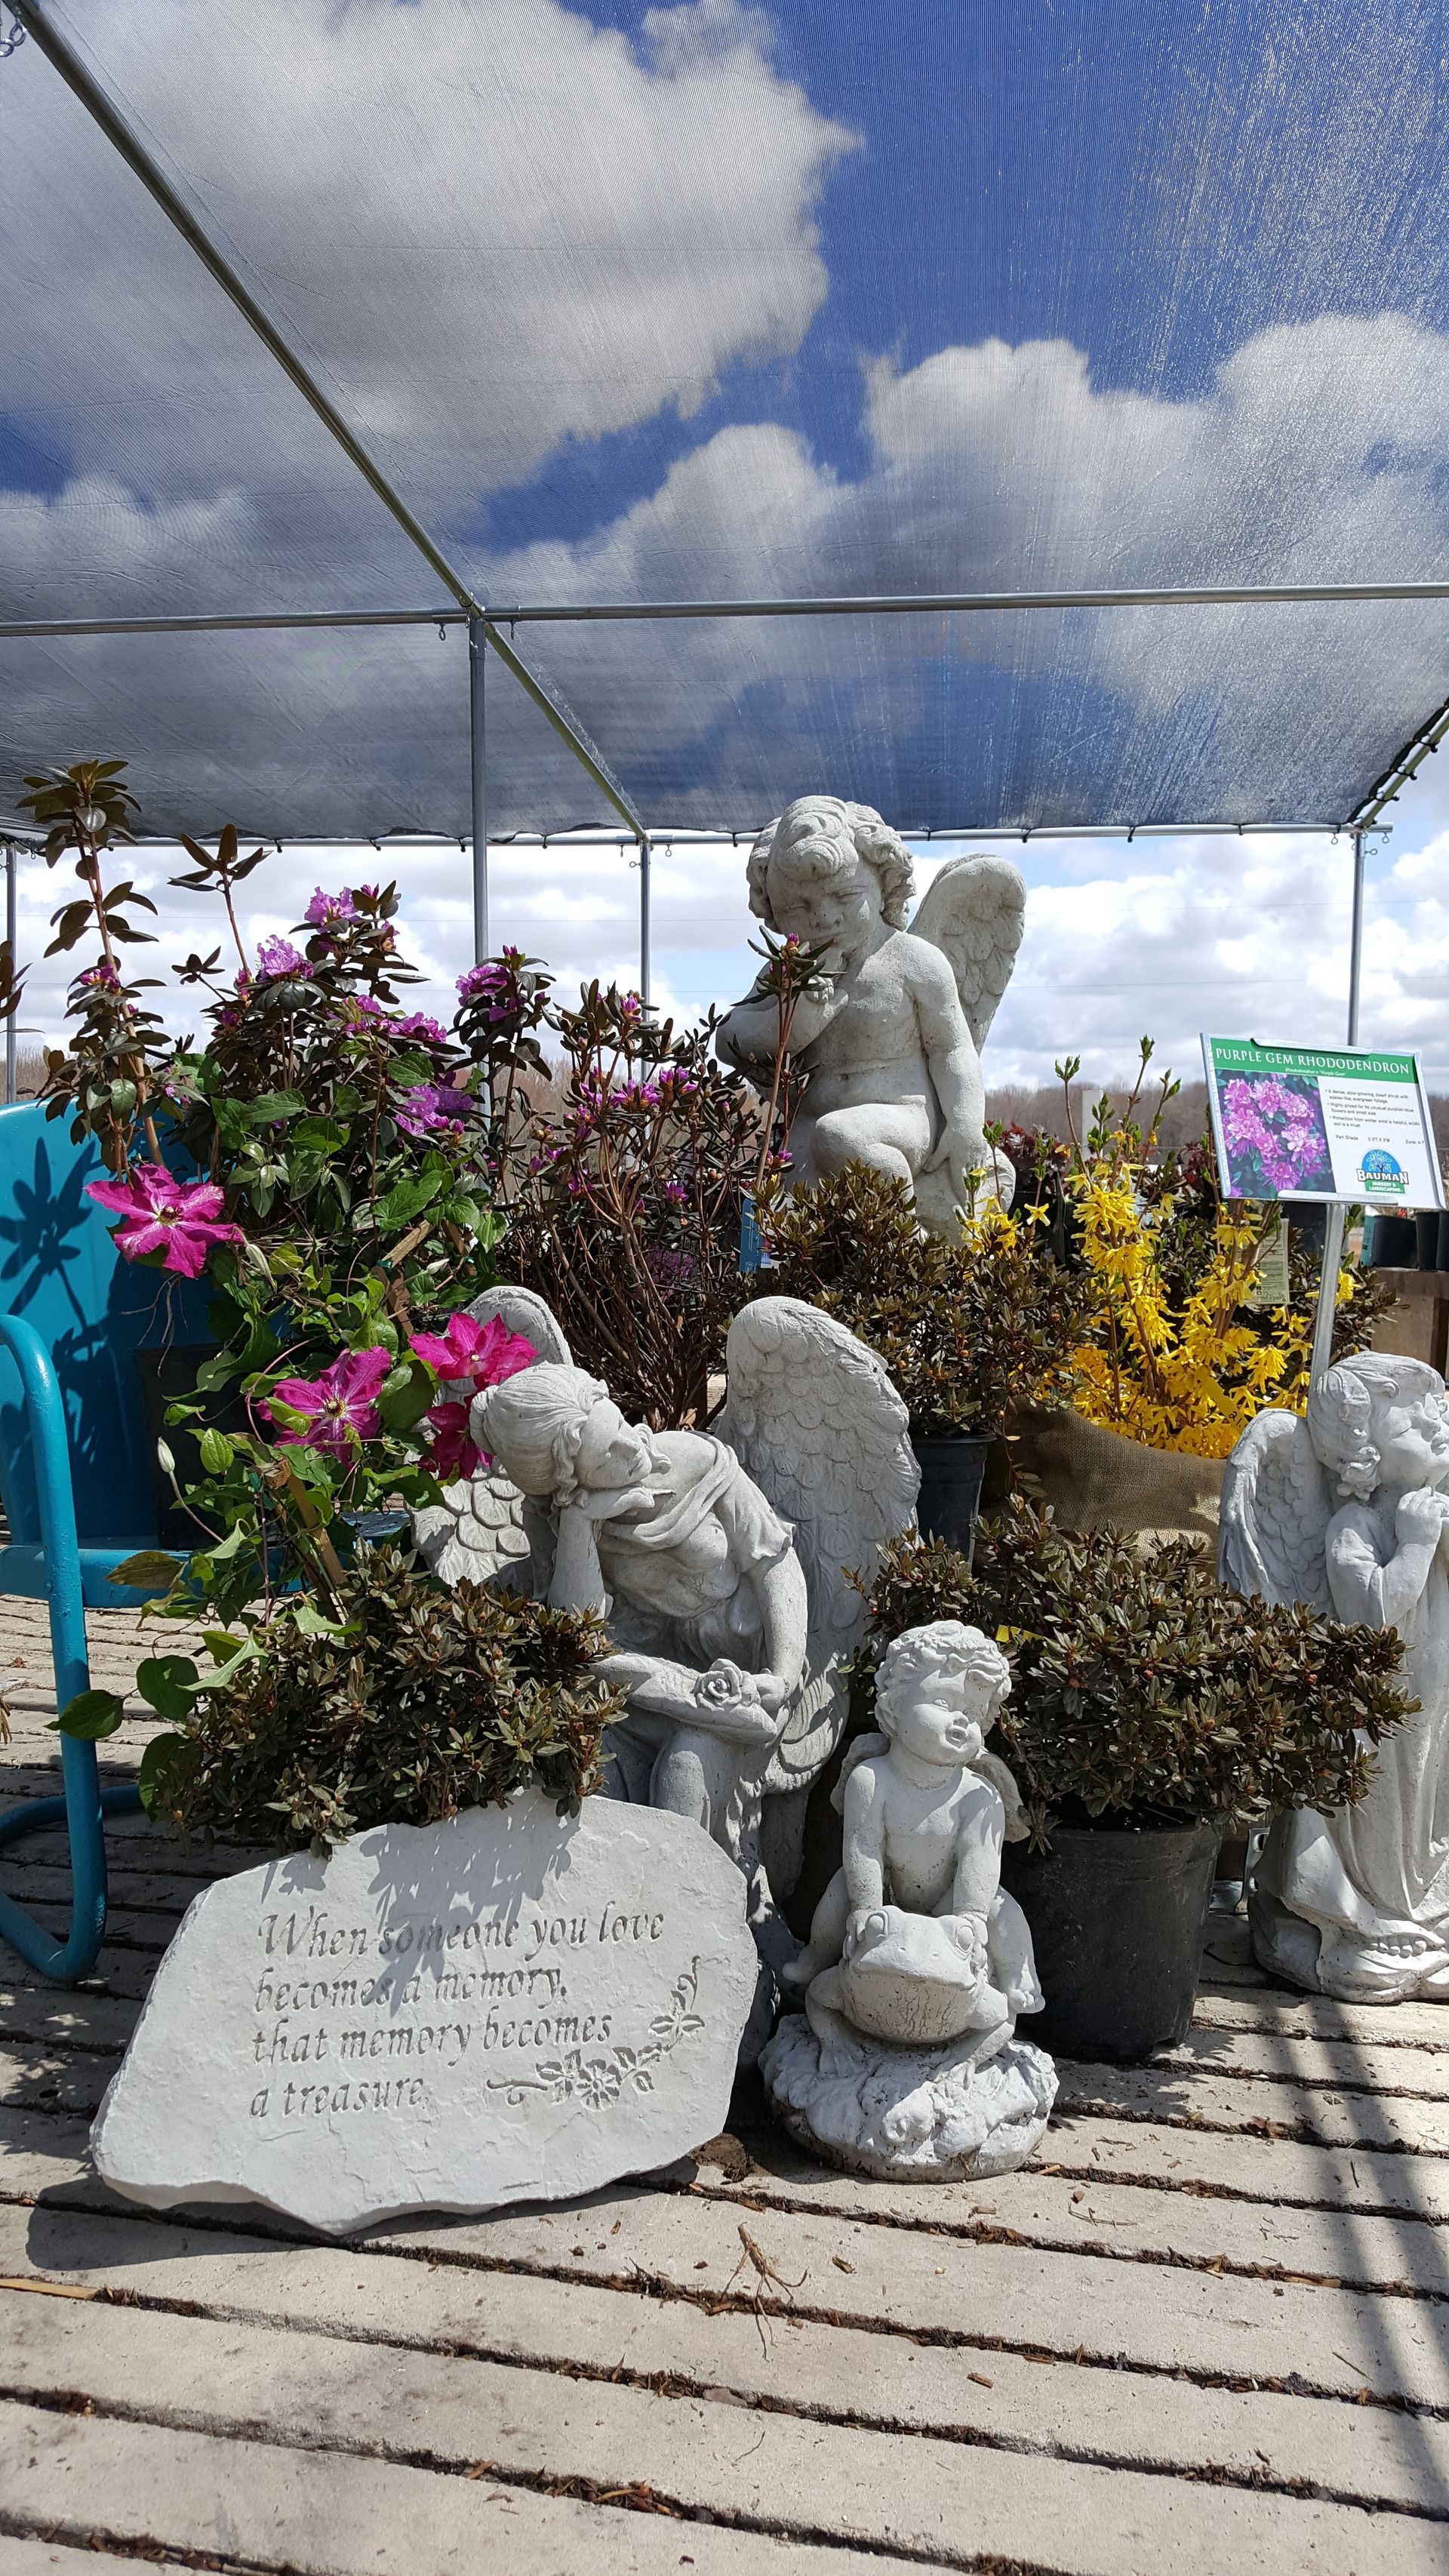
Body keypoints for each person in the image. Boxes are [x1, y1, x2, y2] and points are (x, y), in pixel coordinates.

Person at [472, 1362, 808, 1854]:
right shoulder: (554, 1517)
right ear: (568, 1483)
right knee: (587, 1788)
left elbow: (774, 1561)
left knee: (685, 1774)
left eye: (621, 1424)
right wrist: (581, 1524)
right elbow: (578, 1641)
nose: (636, 1446)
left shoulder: (697, 1460)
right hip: (638, 1691)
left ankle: (710, 1908)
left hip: (736, 1686)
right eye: (609, 1454)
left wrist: (781, 1672)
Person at [716, 796, 995, 1213]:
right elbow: (728, 1039)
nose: (824, 917)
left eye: (845, 896)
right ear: (773, 909)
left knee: (843, 1136)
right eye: (798, 907)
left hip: (900, 1119)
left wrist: (966, 1126)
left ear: (883, 884)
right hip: (810, 1126)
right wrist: (792, 1019)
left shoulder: (914, 961)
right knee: (788, 1198)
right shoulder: (788, 972)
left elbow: (953, 1049)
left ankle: (900, 1239)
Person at [785, 1619, 1040, 2024]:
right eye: (943, 1704)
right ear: (894, 1705)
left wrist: (969, 1917)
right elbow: (863, 1850)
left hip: (950, 1900)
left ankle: (1019, 1975)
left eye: (974, 1714)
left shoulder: (978, 1795)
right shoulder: (872, 1779)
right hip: (886, 1892)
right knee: (838, 1894)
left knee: (1001, 1908)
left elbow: (980, 1862)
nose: (961, 1722)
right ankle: (816, 1954)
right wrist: (867, 1909)